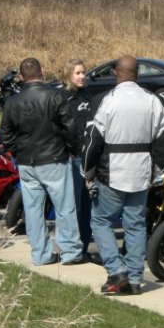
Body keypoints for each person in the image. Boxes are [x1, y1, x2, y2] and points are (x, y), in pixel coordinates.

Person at [84, 55, 164, 295]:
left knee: (101, 221)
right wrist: (156, 171)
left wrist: (88, 170)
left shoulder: (108, 101)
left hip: (112, 172)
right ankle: (134, 279)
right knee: (135, 225)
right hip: (141, 172)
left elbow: (93, 140)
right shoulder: (152, 101)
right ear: (137, 74)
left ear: (116, 72)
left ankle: (116, 271)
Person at [0, 57, 86, 266]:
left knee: (33, 210)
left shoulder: (12, 102)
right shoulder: (54, 95)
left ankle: (40, 254)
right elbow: (70, 128)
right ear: (42, 72)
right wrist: (73, 151)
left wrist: (18, 152)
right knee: (65, 207)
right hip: (54, 159)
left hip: (27, 162)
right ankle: (70, 252)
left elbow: (6, 135)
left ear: (21, 77)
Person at [62, 58, 94, 261]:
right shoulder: (62, 97)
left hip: (89, 158)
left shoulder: (88, 95)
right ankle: (72, 250)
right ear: (69, 75)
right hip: (72, 160)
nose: (82, 76)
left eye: (84, 72)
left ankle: (83, 248)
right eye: (78, 73)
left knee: (87, 206)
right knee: (74, 206)